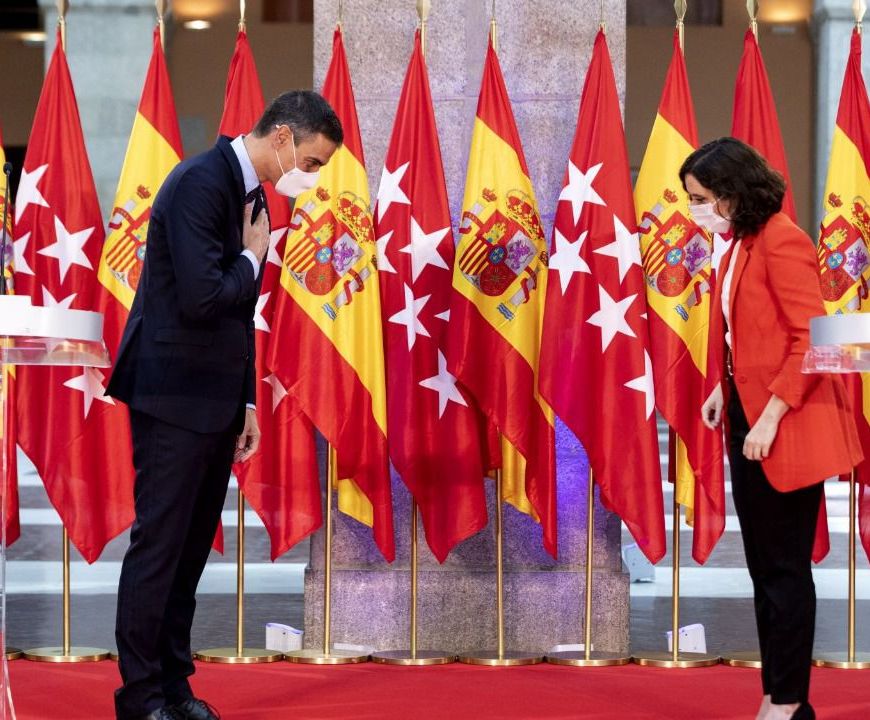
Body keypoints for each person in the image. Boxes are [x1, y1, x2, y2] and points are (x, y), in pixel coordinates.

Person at [107, 91, 342, 720]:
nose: (310, 177)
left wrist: (247, 400)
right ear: (283, 137)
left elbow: (239, 316)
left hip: (214, 397)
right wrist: (252, 256)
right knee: (160, 548)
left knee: (188, 553)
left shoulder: (250, 194)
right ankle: (140, 698)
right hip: (171, 394)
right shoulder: (200, 182)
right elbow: (203, 297)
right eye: (311, 163)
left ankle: (174, 688)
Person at [681, 137, 862, 720]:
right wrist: (725, 387)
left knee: (784, 570)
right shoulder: (740, 243)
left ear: (733, 193)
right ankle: (775, 693)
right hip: (747, 413)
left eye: (701, 198)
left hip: (785, 421)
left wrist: (770, 415)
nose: (695, 209)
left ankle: (789, 702)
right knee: (763, 567)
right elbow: (746, 333)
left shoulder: (783, 240)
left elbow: (811, 336)